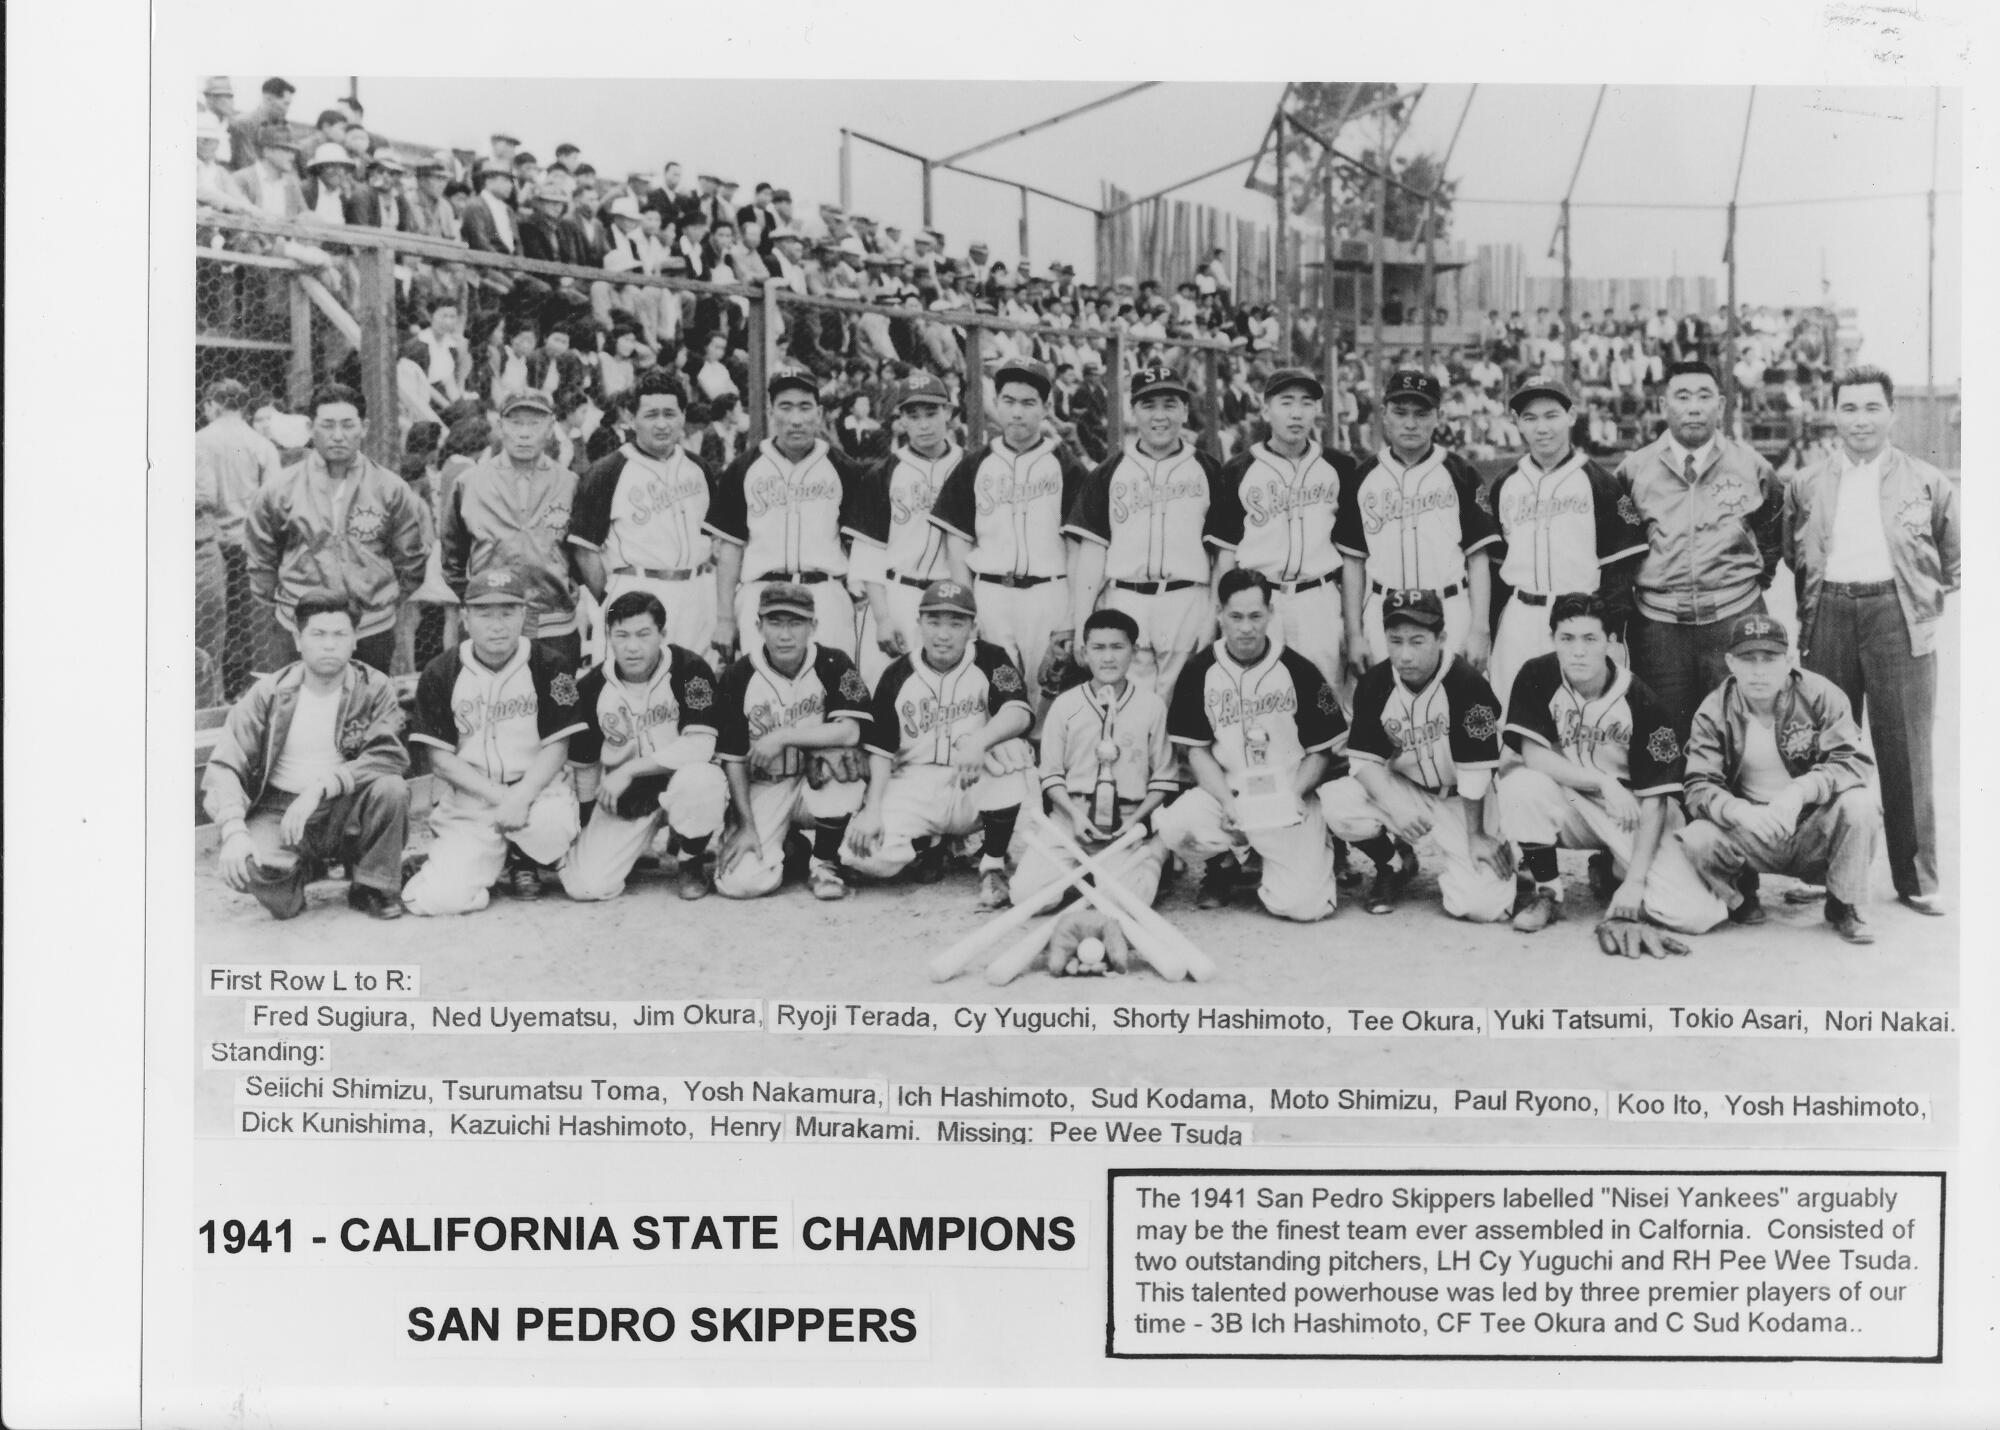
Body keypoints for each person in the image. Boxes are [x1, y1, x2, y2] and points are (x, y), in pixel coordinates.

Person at [1784, 364, 1959, 915]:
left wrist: (1903, 599)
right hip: (1829, 612)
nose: (1860, 419)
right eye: (1849, 408)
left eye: (1871, 408)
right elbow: (1794, 554)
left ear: (1892, 413)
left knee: (1905, 748)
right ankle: (1818, 868)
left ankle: (1916, 878)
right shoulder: (1806, 482)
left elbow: (1951, 562)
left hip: (1897, 616)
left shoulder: (1927, 481)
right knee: (1824, 746)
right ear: (1833, 414)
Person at [1496, 592, 1727, 934]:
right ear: (1552, 639)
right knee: (1520, 785)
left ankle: (1615, 871)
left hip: (1632, 814)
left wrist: (1635, 882)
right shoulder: (1537, 674)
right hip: (1572, 801)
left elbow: (1656, 800)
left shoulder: (1640, 699)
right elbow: (1533, 755)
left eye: (1590, 639)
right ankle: (1547, 891)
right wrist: (1603, 782)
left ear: (1611, 642)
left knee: (1694, 916)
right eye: (1567, 638)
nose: (1578, 650)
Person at [202, 594, 412, 921]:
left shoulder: (373, 688)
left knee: (391, 789)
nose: (329, 645)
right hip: (282, 811)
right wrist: (233, 830)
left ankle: (372, 885)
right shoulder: (269, 693)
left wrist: (321, 787)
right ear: (298, 640)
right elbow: (225, 763)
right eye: (318, 634)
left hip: (346, 805)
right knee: (250, 868)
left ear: (355, 640)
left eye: (340, 634)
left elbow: (388, 755)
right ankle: (305, 869)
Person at [1675, 613, 1881, 943]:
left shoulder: (1821, 695)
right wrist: (1738, 810)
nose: (1758, 670)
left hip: (1811, 824)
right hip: (1752, 828)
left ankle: (1843, 903)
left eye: (1769, 659)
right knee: (1697, 836)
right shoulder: (1714, 710)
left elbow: (1854, 762)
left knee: (1861, 804)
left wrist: (1802, 790)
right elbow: (1698, 785)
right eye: (1747, 658)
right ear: (1730, 662)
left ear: (1788, 661)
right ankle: (1742, 895)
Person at [1156, 569, 1346, 921]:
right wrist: (1226, 801)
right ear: (1219, 614)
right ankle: (1235, 857)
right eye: (1236, 617)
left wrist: (1294, 795)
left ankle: (1280, 860)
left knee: (1304, 907)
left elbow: (1320, 751)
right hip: (1231, 796)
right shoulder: (1199, 670)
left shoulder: (1298, 669)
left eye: (1256, 616)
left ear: (1270, 614)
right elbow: (1196, 750)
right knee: (1173, 828)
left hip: (1289, 798)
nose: (1246, 628)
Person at [1319, 589, 1515, 921]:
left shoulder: (1467, 683)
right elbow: (1363, 761)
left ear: (1441, 638)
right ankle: (1393, 861)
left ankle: (1502, 851)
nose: (1405, 654)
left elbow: (1475, 773)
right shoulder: (1375, 683)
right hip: (1409, 791)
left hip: (1465, 802)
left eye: (1417, 641)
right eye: (1395, 641)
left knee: (1481, 908)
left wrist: (1475, 835)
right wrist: (1396, 807)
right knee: (1338, 801)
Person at [842, 579, 1036, 910]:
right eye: (934, 622)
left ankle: (992, 863)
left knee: (1011, 755)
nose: (943, 634)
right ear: (919, 623)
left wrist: (980, 742)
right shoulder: (897, 673)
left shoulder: (991, 659)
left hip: (972, 779)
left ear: (972, 628)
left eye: (955, 623)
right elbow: (880, 751)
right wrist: (872, 809)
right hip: (915, 782)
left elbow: (1018, 711)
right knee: (858, 855)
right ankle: (927, 846)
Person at [403, 567, 587, 913]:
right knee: (435, 900)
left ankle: (522, 857)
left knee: (551, 832)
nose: (497, 624)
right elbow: (441, 760)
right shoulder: (441, 671)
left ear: (524, 616)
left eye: (507, 612)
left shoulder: (550, 664)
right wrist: (504, 799)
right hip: (473, 799)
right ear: (465, 618)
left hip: (537, 793)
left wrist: (522, 797)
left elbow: (558, 745)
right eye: (485, 614)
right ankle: (471, 867)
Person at [1616, 360, 1785, 737]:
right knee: (1663, 739)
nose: (1694, 406)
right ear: (1663, 405)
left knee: (1738, 737)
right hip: (1659, 627)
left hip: (1733, 618)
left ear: (1721, 405)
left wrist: (1745, 582)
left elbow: (1773, 536)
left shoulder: (1752, 467)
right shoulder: (1634, 470)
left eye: (1704, 396)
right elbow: (1618, 547)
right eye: (1682, 396)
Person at [1064, 364, 1233, 703]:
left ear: (1185, 411)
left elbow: (1223, 555)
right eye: (1148, 405)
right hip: (1125, 598)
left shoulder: (1209, 470)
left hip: (1188, 599)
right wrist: (1082, 622)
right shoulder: (1108, 473)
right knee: (1127, 710)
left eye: (1170, 404)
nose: (1160, 416)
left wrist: (1215, 616)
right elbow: (1092, 555)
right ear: (1133, 410)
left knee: (1184, 707)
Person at [929, 357, 1086, 716]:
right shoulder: (974, 463)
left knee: (1049, 692)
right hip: (991, 591)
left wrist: (1072, 613)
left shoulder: (1066, 464)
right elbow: (957, 542)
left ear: (1046, 408)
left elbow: (1079, 547)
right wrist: (967, 604)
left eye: (1028, 403)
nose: (1017, 413)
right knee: (995, 693)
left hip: (1049, 591)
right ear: (996, 403)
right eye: (1009, 401)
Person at [555, 591, 729, 903]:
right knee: (586, 885)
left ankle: (690, 857)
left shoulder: (690, 669)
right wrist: (586, 827)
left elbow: (701, 745)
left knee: (702, 780)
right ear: (608, 637)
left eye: (643, 634)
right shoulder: (593, 686)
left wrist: (632, 769)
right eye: (621, 635)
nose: (632, 646)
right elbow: (585, 766)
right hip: (628, 797)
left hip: (680, 781)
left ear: (662, 634)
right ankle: (634, 849)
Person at [243, 384, 427, 676]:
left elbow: (411, 558)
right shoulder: (280, 489)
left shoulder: (390, 488)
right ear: (310, 426)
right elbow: (261, 555)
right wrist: (291, 599)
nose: (338, 435)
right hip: (300, 626)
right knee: (300, 713)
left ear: (364, 427)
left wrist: (379, 599)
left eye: (348, 425)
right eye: (327, 425)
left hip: (370, 628)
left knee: (363, 711)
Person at [1486, 377, 1648, 709]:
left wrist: (1613, 633)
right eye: (1530, 418)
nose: (1541, 427)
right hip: (1519, 616)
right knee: (1512, 716)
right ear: (1517, 423)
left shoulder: (1599, 481)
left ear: (1571, 416)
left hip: (1580, 616)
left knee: (1581, 717)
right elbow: (1492, 567)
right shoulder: (1505, 484)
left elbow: (1619, 568)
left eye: (1551, 415)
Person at [712, 584, 875, 901]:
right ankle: (790, 846)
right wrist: (747, 826)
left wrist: (784, 736)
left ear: (813, 626)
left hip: (813, 783)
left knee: (843, 772)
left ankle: (823, 862)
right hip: (763, 786)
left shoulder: (834, 663)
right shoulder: (737, 675)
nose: (785, 634)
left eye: (795, 623)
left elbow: (850, 731)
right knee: (742, 884)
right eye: (775, 623)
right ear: (758, 626)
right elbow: (731, 758)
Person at [1010, 608, 1177, 911]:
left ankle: (1156, 854)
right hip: (1070, 819)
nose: (1108, 657)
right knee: (1026, 898)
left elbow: (1163, 778)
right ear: (1084, 653)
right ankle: (1083, 870)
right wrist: (1074, 816)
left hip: (1126, 822)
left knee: (1122, 906)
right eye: (1098, 648)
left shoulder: (1151, 706)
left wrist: (1137, 822)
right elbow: (1050, 775)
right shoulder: (1066, 704)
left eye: (1118, 647)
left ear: (1134, 651)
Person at [1336, 369, 1499, 676]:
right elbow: (1353, 563)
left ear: (1438, 416)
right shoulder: (1363, 477)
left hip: (1449, 608)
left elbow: (1478, 559)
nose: (1410, 423)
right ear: (1384, 414)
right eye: (1400, 413)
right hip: (1383, 611)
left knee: (1452, 710)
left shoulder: (1460, 473)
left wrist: (1479, 628)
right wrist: (1355, 634)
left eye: (1422, 413)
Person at [709, 364, 876, 660]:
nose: (795, 419)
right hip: (761, 594)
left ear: (820, 414)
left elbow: (859, 546)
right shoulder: (744, 468)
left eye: (804, 407)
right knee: (760, 696)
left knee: (831, 691)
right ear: (772, 412)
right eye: (785, 407)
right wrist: (723, 618)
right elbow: (730, 549)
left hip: (825, 592)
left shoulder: (844, 468)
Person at [1207, 367, 1358, 692]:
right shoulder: (1238, 469)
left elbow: (1351, 556)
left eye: (1306, 403)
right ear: (1265, 410)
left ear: (1316, 411)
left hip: (1318, 597)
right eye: (1286, 402)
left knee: (1325, 697)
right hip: (1259, 597)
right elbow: (1225, 556)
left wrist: (1352, 625)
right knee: (1259, 696)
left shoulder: (1339, 467)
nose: (1296, 413)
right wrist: (1223, 617)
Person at [567, 370, 720, 660]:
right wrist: (615, 594)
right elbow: (584, 551)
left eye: (669, 414)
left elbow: (715, 539)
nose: (661, 424)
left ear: (683, 416)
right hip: (639, 588)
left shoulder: (699, 468)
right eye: (651, 415)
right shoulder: (607, 471)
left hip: (697, 592)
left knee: (696, 688)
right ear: (631, 416)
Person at [442, 388, 586, 670]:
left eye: (534, 423)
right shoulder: (470, 483)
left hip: (553, 624)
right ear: (500, 426)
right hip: (492, 626)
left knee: (559, 708)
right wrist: (480, 600)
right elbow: (452, 556)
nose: (524, 432)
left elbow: (580, 555)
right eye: (515, 422)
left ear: (551, 427)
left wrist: (560, 583)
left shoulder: (569, 483)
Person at [846, 371, 961, 688]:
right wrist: (883, 618)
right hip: (897, 594)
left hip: (950, 596)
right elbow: (868, 553)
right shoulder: (884, 472)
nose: (923, 424)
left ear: (948, 413)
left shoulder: (969, 467)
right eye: (914, 415)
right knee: (880, 690)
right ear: (902, 421)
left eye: (932, 413)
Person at [196, 379, 285, 699]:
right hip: (250, 545)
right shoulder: (262, 445)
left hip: (208, 546)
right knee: (248, 627)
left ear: (212, 404)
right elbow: (275, 501)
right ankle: (243, 694)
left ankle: (214, 694)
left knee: (212, 631)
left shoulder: (198, 441)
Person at [227, 77, 294, 172]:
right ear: (268, 99)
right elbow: (246, 164)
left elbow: (289, 162)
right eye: (285, 104)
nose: (287, 109)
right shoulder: (243, 124)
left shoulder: (286, 128)